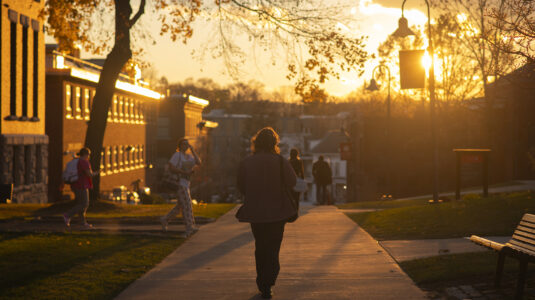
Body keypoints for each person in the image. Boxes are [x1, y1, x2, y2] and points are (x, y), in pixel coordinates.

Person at [236, 127, 297, 299]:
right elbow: (292, 182)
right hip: (278, 212)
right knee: (273, 248)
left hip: (255, 212)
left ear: (256, 143)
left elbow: (241, 186)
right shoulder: (279, 161)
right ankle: (268, 282)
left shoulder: (246, 162)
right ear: (274, 143)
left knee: (260, 246)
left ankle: (262, 281)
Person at [160, 138, 201, 237]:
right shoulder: (177, 155)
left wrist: (192, 150)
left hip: (186, 184)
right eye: (183, 144)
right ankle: (189, 227)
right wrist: (184, 172)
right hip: (179, 184)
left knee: (180, 206)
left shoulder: (189, 156)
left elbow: (198, 162)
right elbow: (171, 167)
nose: (185, 146)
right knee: (187, 204)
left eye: (187, 144)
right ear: (179, 145)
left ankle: (165, 220)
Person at [63, 147, 99, 228]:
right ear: (86, 154)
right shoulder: (84, 162)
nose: (89, 156)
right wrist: (97, 173)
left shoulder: (76, 161)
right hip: (82, 185)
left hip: (75, 185)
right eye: (89, 155)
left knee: (81, 204)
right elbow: (89, 174)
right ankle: (67, 215)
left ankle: (82, 222)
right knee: (84, 203)